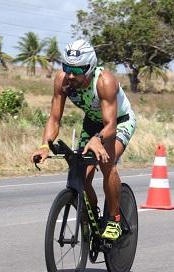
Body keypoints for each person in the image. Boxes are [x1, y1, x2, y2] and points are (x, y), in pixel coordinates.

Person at [30, 39, 137, 241]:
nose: (71, 75)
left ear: (90, 68)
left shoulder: (104, 82)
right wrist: (45, 146)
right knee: (81, 173)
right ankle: (93, 217)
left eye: (77, 70)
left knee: (107, 164)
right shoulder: (63, 81)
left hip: (118, 122)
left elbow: (111, 125)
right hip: (93, 123)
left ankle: (114, 219)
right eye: (67, 67)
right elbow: (54, 118)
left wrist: (98, 139)